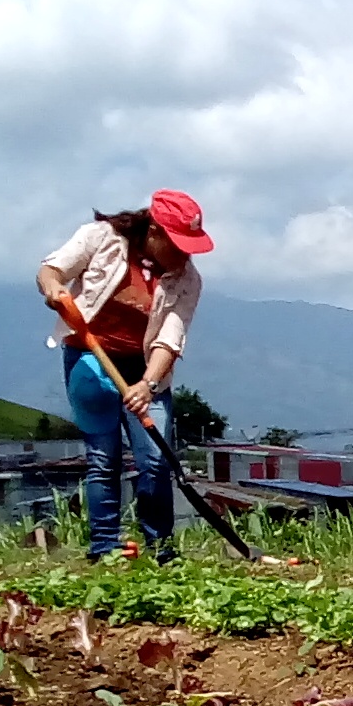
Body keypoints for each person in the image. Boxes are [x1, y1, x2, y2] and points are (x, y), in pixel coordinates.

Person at [37, 191, 210, 561]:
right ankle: (105, 548)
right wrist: (53, 290)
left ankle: (162, 550)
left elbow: (170, 337)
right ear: (154, 231)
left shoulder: (187, 280)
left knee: (155, 461)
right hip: (90, 358)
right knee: (104, 458)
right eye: (177, 244)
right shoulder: (100, 238)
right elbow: (52, 270)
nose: (183, 255)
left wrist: (147, 384)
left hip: (147, 371)